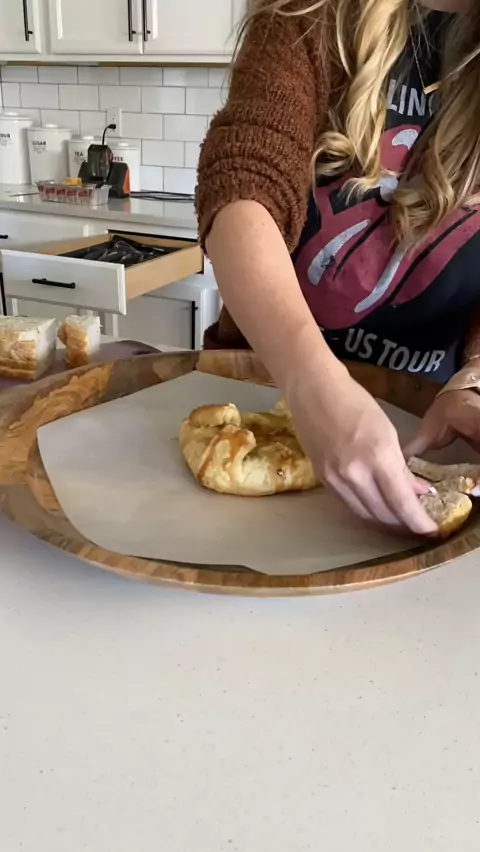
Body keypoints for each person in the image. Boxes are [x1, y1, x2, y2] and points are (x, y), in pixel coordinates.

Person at [196, 0, 480, 535]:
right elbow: (241, 183)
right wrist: (310, 382)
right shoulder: (312, 15)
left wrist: (474, 379)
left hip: (424, 425)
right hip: (263, 387)